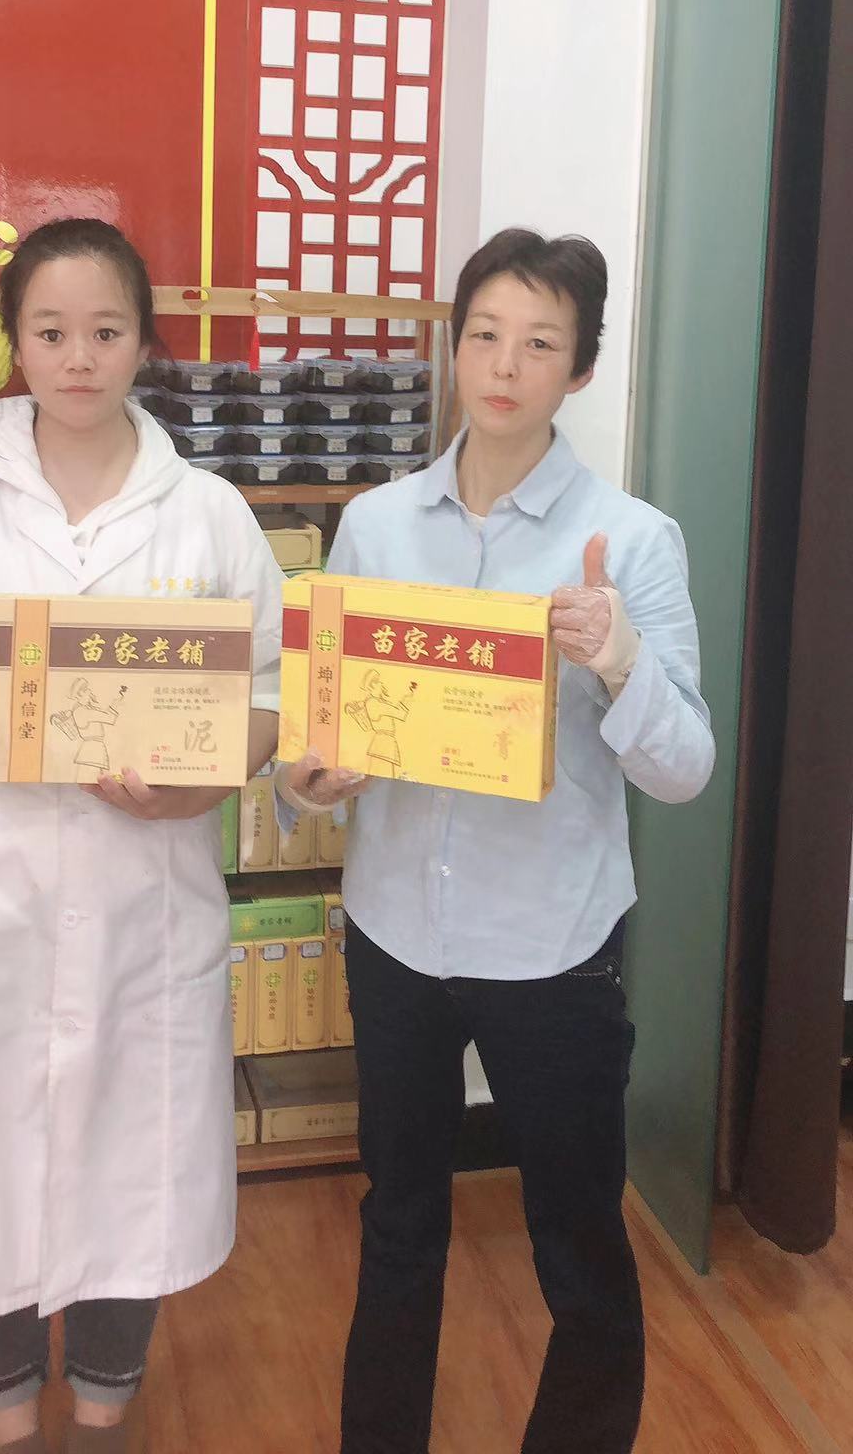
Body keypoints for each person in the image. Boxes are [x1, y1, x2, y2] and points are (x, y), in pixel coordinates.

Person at [0, 218, 282, 1454]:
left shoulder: (209, 514)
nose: (79, 357)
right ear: (13, 343)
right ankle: (9, 1420)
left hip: (144, 885)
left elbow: (268, 699)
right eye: (52, 331)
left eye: (107, 331)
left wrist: (203, 783)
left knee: (132, 1158)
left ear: (145, 342)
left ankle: (104, 1415)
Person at [279, 228, 716, 1454]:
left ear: (582, 368)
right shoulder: (375, 525)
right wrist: (309, 781)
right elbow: (315, 749)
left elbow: (685, 770)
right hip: (395, 940)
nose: (505, 367)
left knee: (578, 1242)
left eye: (539, 343)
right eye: (484, 335)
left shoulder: (631, 543)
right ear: (455, 346)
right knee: (398, 1224)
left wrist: (618, 657)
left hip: (553, 953)